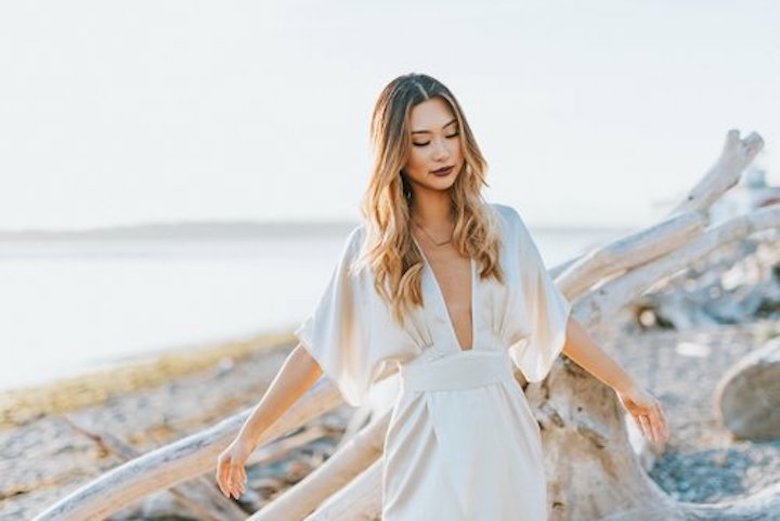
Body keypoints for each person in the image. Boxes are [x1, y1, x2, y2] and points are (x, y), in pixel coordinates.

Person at [215, 72, 670, 519]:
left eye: (450, 134)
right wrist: (248, 437)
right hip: (424, 431)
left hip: (503, 425)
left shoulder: (504, 229)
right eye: (422, 140)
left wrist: (626, 385)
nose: (441, 151)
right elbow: (315, 349)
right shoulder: (373, 250)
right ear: (396, 151)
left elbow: (552, 319)